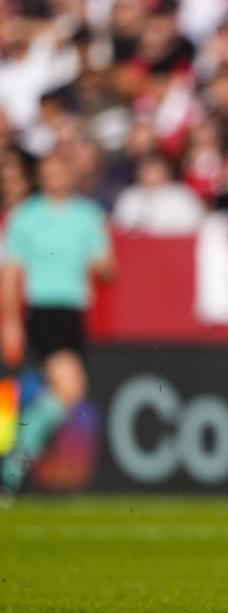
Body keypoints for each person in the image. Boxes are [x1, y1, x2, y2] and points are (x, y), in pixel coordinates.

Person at [0, 152, 116, 501]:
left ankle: (16, 455)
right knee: (70, 387)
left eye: (61, 171)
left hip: (74, 312)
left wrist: (105, 262)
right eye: (48, 173)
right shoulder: (26, 217)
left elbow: (106, 268)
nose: (55, 178)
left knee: (63, 392)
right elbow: (11, 274)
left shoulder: (87, 216)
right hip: (44, 310)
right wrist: (9, 321)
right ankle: (13, 465)